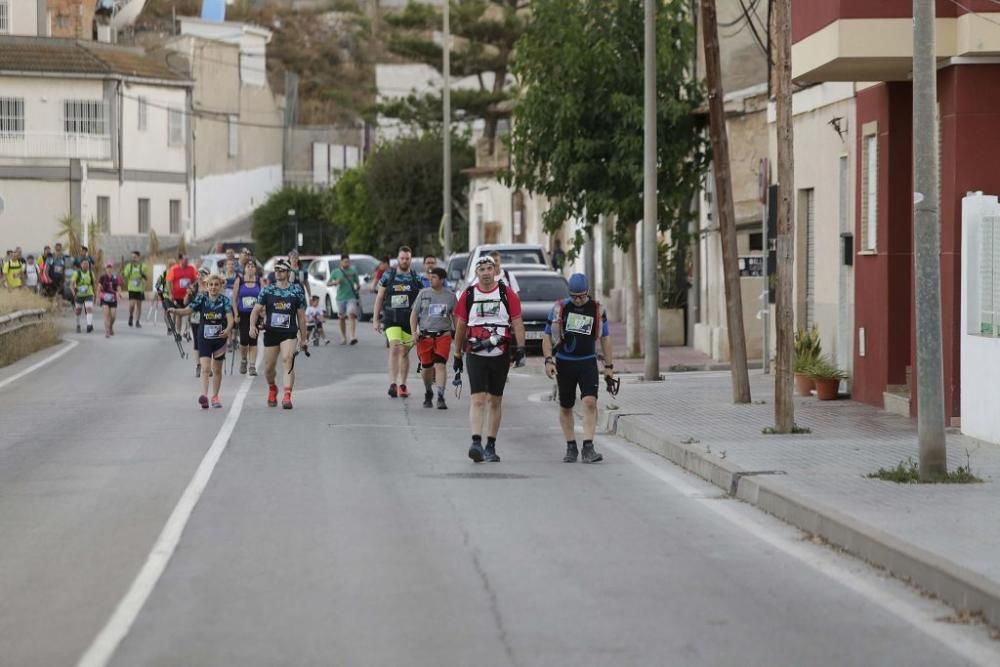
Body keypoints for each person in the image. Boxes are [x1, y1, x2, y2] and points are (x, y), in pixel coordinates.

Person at [452, 256, 527, 462]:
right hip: (475, 353)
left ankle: (491, 445)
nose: (485, 272)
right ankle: (476, 442)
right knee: (477, 398)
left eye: (489, 268)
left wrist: (521, 348)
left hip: (500, 353)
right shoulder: (468, 294)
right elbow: (460, 326)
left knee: (495, 399)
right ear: (477, 273)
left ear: (495, 271)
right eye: (481, 269)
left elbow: (517, 321)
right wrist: (457, 354)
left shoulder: (506, 293)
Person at [542, 273, 613, 463]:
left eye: (582, 296)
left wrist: (609, 366)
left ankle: (588, 447)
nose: (578, 300)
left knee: (590, 402)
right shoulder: (559, 309)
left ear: (588, 292)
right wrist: (549, 360)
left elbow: (605, 338)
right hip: (565, 362)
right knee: (566, 406)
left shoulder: (597, 309)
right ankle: (571, 445)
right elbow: (547, 336)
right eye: (574, 296)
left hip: (587, 361)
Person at [249, 259, 309, 409]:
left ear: (288, 272)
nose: (278, 272)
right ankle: (272, 388)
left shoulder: (296, 291)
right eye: (276, 270)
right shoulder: (267, 290)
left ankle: (287, 395)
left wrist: (304, 339)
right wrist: (251, 326)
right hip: (271, 333)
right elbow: (256, 310)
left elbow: (301, 317)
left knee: (288, 358)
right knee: (269, 368)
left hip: (289, 333)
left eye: (281, 270)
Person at [169, 275, 234, 409]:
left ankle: (215, 397)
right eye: (211, 285)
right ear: (206, 285)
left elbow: (230, 319)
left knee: (217, 369)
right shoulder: (201, 298)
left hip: (219, 339)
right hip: (204, 338)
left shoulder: (225, 301)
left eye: (216, 285)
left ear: (220, 286)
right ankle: (204, 396)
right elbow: (187, 310)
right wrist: (175, 311)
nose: (213, 287)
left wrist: (227, 330)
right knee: (205, 368)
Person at [373, 246, 423, 398]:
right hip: (391, 318)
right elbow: (380, 297)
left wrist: (421, 324)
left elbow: (423, 300)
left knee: (404, 352)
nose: (404, 261)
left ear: (411, 259)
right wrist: (375, 319)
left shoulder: (416, 277)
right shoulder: (388, 275)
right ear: (398, 259)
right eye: (402, 258)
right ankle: (392, 383)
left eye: (407, 258)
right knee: (395, 347)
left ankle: (403, 384)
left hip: (409, 320)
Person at [411, 267, 457, 409]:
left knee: (440, 365)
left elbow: (455, 317)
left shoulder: (450, 296)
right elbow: (414, 314)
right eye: (430, 277)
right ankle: (428, 391)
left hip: (443, 335)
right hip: (425, 337)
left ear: (442, 280)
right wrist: (414, 332)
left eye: (434, 277)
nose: (431, 279)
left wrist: (458, 335)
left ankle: (441, 396)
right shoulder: (423, 294)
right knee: (427, 368)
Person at [232, 259, 261, 375]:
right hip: (243, 314)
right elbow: (234, 299)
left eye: (252, 266)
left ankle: (252, 366)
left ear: (255, 269)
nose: (250, 268)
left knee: (253, 340)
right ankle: (244, 359)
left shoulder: (259, 281)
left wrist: (263, 312)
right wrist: (235, 313)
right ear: (245, 269)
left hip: (255, 314)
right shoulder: (240, 280)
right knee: (244, 340)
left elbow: (263, 297)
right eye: (248, 266)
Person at [329, 253, 360, 345]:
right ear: (341, 262)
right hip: (340, 298)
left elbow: (357, 283)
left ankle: (352, 336)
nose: (347, 263)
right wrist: (336, 282)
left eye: (348, 261)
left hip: (351, 297)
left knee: (351, 314)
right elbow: (328, 283)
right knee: (341, 318)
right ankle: (343, 337)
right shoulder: (336, 272)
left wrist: (358, 287)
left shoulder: (353, 271)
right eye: (345, 262)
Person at [166, 254, 198, 340]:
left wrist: (192, 286)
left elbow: (196, 280)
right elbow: (169, 281)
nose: (187, 261)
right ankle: (178, 333)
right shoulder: (174, 269)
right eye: (185, 260)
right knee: (179, 314)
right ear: (180, 260)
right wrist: (170, 293)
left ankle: (187, 332)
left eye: (188, 260)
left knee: (189, 314)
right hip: (177, 296)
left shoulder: (191, 268)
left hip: (188, 295)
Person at [186, 267, 210, 376]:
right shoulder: (194, 287)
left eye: (202, 274)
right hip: (195, 318)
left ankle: (207, 366)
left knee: (208, 342)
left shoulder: (211, 286)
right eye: (199, 274)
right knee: (197, 342)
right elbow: (185, 302)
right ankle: (199, 366)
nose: (200, 277)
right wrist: (188, 293)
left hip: (208, 318)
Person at [121, 250, 147, 328]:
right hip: (132, 287)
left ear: (138, 257)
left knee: (139, 306)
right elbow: (125, 274)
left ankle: (137, 321)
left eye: (135, 257)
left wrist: (143, 284)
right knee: (132, 304)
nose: (133, 258)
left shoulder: (143, 266)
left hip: (140, 288)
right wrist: (123, 273)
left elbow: (145, 277)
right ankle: (131, 316)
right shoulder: (129, 266)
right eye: (132, 257)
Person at [70, 258, 97, 333]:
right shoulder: (77, 273)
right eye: (84, 264)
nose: (86, 265)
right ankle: (78, 325)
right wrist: (74, 293)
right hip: (79, 294)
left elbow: (94, 284)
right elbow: (71, 285)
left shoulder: (91, 273)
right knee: (78, 311)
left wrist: (95, 294)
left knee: (89, 308)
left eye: (87, 264)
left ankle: (89, 325)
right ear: (81, 265)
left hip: (89, 293)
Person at [98, 262, 123, 338]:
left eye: (110, 268)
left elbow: (118, 287)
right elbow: (99, 287)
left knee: (113, 316)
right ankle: (107, 331)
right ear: (105, 269)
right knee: (106, 316)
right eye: (107, 268)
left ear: (112, 269)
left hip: (113, 299)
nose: (109, 269)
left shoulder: (116, 277)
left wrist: (119, 294)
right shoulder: (102, 277)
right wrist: (97, 297)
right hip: (104, 298)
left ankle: (110, 326)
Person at [44, 243, 67, 308]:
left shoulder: (62, 258)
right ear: (55, 248)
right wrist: (48, 278)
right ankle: (52, 309)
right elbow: (46, 270)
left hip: (60, 279)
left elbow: (63, 269)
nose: (58, 249)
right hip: (52, 279)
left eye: (59, 248)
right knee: (52, 295)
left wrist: (64, 278)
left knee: (60, 295)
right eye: (57, 248)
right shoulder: (51, 257)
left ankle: (60, 310)